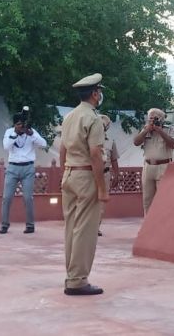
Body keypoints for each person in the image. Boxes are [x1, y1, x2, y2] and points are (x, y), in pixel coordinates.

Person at [59, 73, 110, 296]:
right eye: (99, 92)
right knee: (85, 230)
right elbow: (96, 154)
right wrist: (102, 189)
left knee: (71, 228)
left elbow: (63, 149)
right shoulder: (93, 118)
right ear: (95, 94)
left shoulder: (69, 117)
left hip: (70, 173)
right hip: (86, 175)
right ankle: (77, 280)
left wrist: (64, 173)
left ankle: (72, 275)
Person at [0, 113, 48, 234]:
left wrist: (32, 135)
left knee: (28, 198)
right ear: (15, 124)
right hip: (13, 168)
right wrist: (15, 133)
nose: (21, 126)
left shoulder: (31, 132)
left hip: (28, 168)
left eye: (22, 124)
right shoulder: (9, 132)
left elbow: (44, 144)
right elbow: (6, 146)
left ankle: (30, 225)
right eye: (19, 124)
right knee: (7, 198)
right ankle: (4, 224)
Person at [133, 107, 174, 215]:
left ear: (161, 119)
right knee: (147, 200)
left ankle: (163, 223)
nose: (152, 121)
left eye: (155, 118)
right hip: (148, 167)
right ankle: (148, 223)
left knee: (164, 199)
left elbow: (173, 144)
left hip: (163, 166)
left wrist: (160, 131)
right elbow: (136, 142)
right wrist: (146, 130)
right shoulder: (145, 129)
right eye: (150, 118)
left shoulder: (168, 129)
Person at [98, 114, 120, 236]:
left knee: (101, 203)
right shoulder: (87, 139)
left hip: (105, 174)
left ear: (107, 127)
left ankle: (96, 227)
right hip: (90, 175)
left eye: (103, 125)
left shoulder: (111, 141)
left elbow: (114, 159)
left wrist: (116, 175)